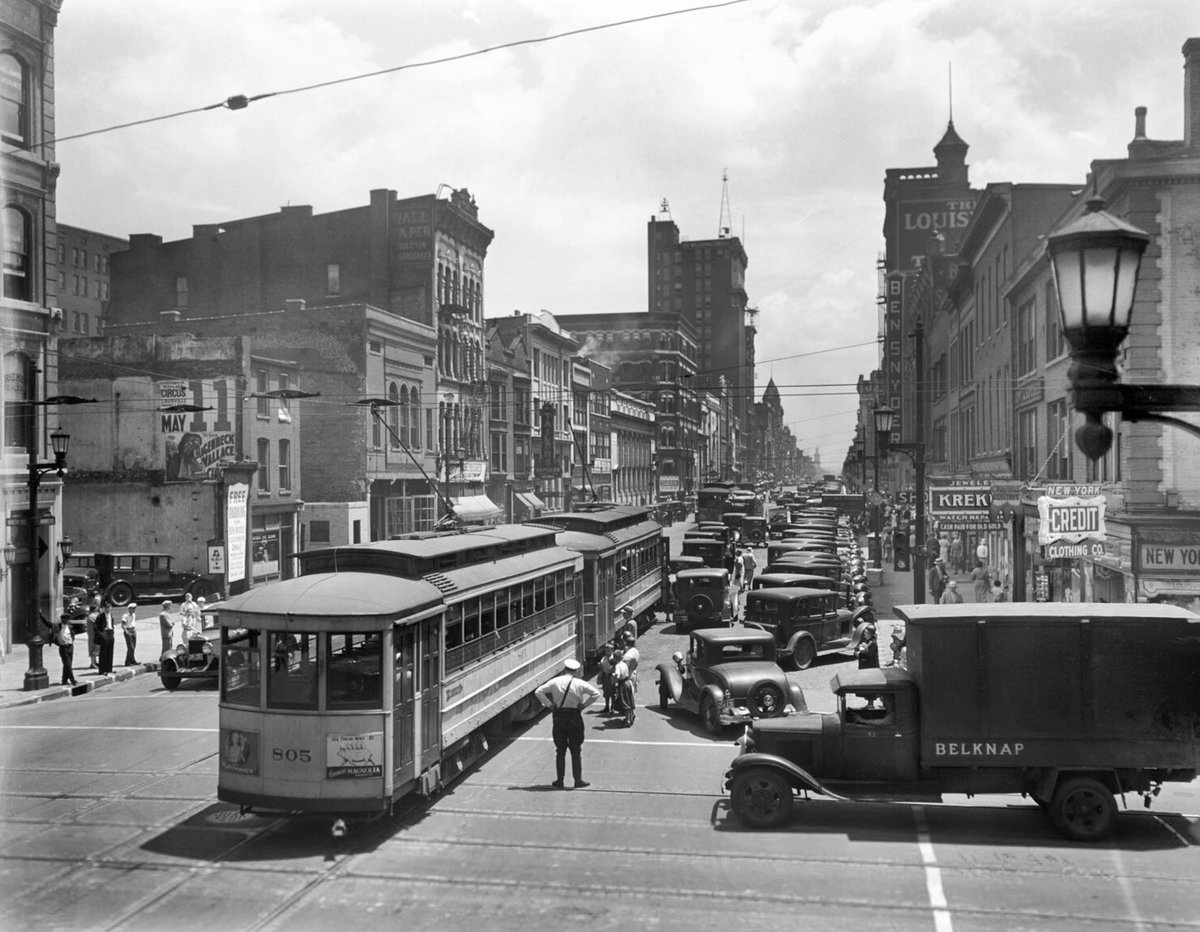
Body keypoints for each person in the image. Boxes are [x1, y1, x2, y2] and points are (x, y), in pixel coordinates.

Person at [534, 658, 602, 788]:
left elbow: (538, 692)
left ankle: (560, 780)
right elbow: (596, 694)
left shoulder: (555, 682)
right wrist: (584, 705)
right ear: (575, 671)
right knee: (576, 751)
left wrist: (549, 705)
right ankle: (578, 780)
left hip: (559, 717)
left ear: (564, 669)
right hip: (574, 717)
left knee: (560, 750)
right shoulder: (579, 683)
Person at [43, 613, 78, 686]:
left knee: (67, 665)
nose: (66, 620)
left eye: (67, 619)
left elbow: (72, 635)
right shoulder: (56, 627)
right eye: (64, 619)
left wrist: (71, 641)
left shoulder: (70, 627)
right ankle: (72, 680)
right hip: (63, 648)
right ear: (62, 619)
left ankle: (64, 680)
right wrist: (41, 615)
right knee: (68, 664)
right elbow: (47, 623)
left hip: (70, 647)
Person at [95, 600, 115, 675]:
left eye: (109, 607)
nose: (107, 609)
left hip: (110, 633)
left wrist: (113, 632)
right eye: (106, 607)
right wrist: (101, 634)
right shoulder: (100, 616)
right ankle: (102, 670)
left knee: (110, 652)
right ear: (103, 608)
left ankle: (109, 669)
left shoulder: (111, 615)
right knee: (103, 653)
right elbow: (96, 627)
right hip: (104, 633)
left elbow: (112, 624)